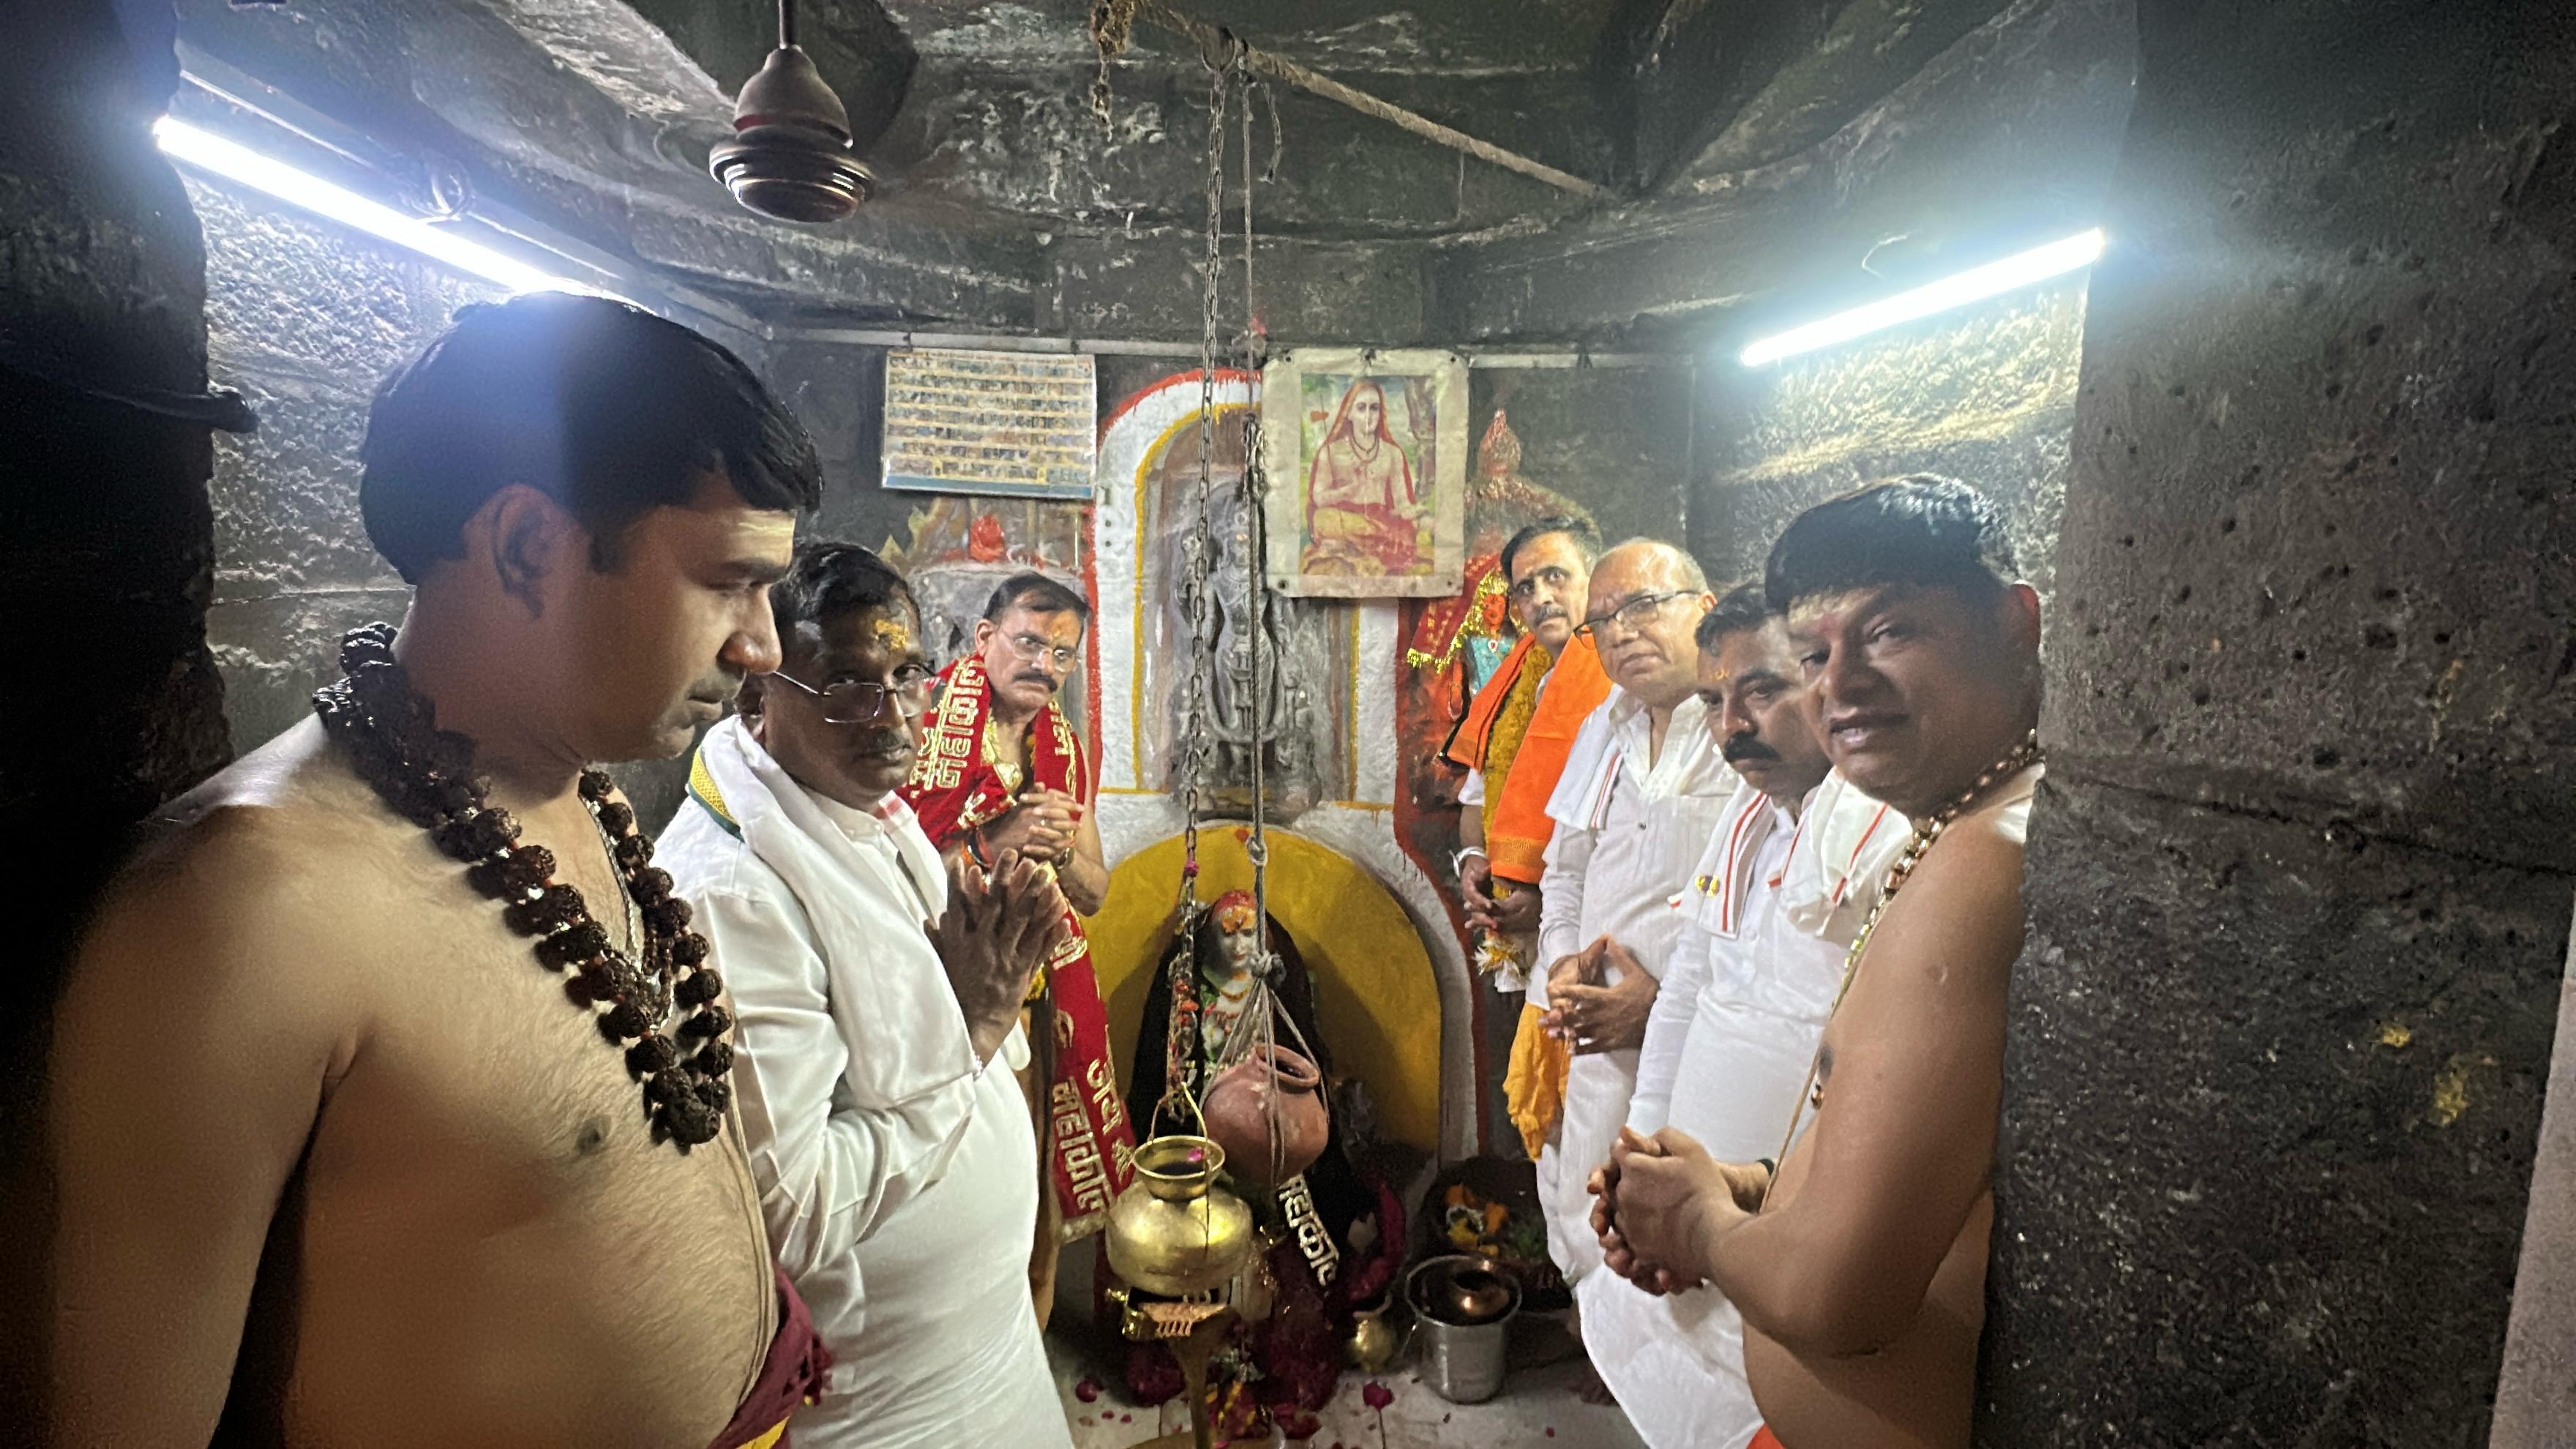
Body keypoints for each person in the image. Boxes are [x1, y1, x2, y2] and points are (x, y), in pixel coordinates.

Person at [43, 293, 831, 1448]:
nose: (761, 645)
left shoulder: (577, 793)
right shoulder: (246, 913)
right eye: (726, 580)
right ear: (522, 548)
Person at [1594, 477, 2045, 1449]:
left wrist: (1704, 1230)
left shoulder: (1979, 859)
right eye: (1814, 654)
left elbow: (1837, 1302)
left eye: (1889, 634)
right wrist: (1745, 1188)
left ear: (2015, 622)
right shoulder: (1967, 825)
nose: (1839, 686)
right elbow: (1945, 1175)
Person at [658, 542, 1076, 1447]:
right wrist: (973, 1025)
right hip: (879, 1405)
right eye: (848, 683)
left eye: (907, 675)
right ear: (756, 693)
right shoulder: (725, 893)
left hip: (986, 1349)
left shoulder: (864, 807)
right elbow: (790, 1213)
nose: (893, 717)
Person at [1578, 583, 1905, 1449]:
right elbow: (1690, 987)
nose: (1731, 725)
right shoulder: (1751, 816)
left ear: (1820, 678)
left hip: (1779, 1212)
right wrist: (1642, 1155)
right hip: (1696, 1194)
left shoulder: (1893, 835)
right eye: (1714, 701)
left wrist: (1725, 1209)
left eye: (1760, 690)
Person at [1523, 539, 1734, 1388]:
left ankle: (1677, 1395)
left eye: (1643, 607)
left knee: (1685, 1222)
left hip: (1697, 1034)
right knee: (1584, 1192)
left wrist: (1659, 1001)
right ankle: (1609, 1368)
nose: (1620, 634)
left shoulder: (1739, 727)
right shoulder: (1599, 728)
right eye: (1603, 621)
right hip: (1593, 1024)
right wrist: (1559, 971)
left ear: (1704, 605)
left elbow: (1753, 894)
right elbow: (1566, 866)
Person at [902, 572, 1131, 1326]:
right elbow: (879, 878)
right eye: (1028, 642)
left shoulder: (1062, 749)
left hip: (1040, 1003)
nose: (1044, 666)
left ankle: (1023, 1358)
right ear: (983, 640)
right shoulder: (918, 720)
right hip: (938, 1004)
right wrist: (993, 840)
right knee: (944, 1199)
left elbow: (1094, 893)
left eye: (1062, 654)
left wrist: (1058, 852)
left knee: (1031, 1197)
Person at [1439, 515, 1608, 992]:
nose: (1541, 598)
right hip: (1515, 920)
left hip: (1593, 926)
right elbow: (1477, 793)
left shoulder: (1618, 677)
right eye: (1526, 588)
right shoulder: (1512, 683)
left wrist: (1547, 895)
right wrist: (1474, 858)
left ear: (1595, 579)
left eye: (1556, 576)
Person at [1303, 378, 1427, 576]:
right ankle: (1371, 537)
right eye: (1361, 408)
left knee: (1406, 528)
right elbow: (1318, 498)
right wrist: (1346, 492)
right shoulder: (1330, 452)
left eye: (1374, 408)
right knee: (1322, 518)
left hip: (1380, 521)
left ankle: (1371, 538)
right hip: (1345, 520)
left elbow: (1401, 502)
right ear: (1349, 414)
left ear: (1381, 413)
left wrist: (1415, 512)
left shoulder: (1393, 453)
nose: (1369, 416)